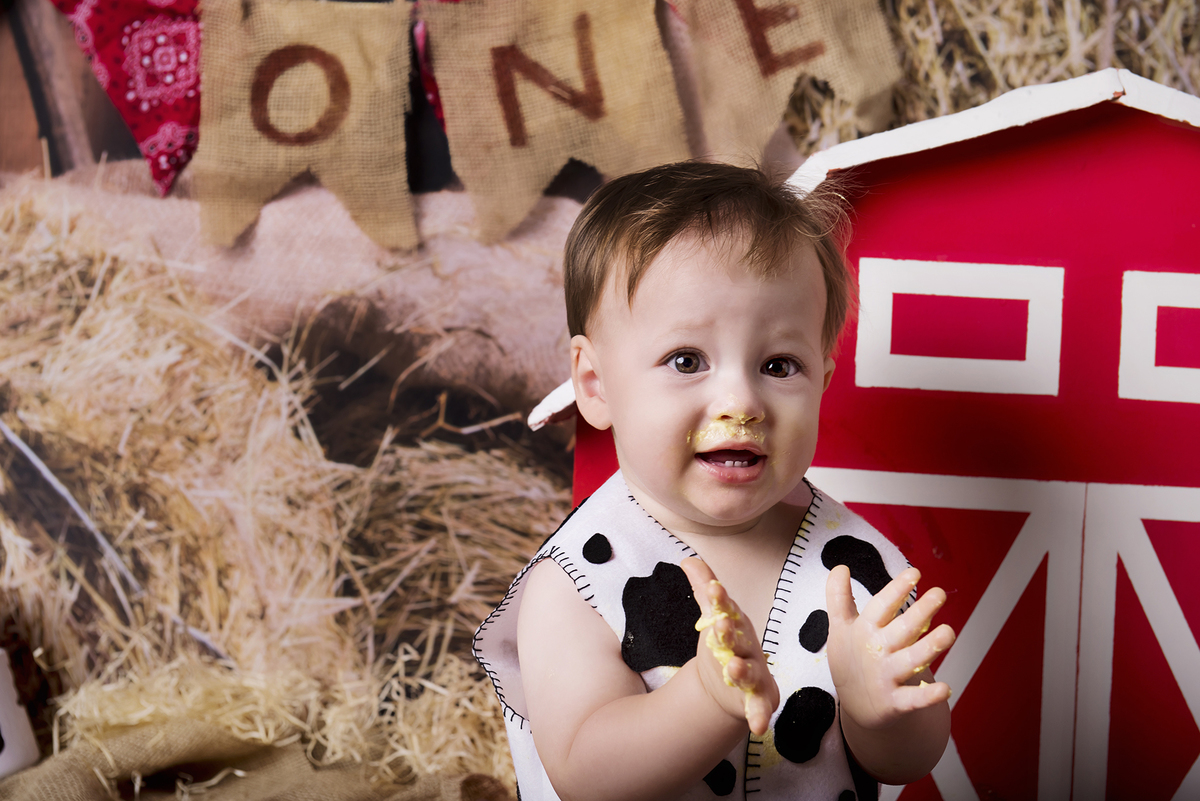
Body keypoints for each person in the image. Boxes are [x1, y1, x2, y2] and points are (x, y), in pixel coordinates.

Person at [474, 162, 954, 801]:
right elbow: (586, 774)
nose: (740, 402)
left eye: (778, 365)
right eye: (686, 360)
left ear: (822, 380)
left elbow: (908, 761)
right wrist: (705, 698)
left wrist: (880, 714)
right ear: (595, 384)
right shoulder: (580, 580)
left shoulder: (850, 563)